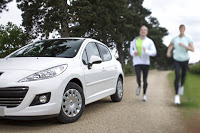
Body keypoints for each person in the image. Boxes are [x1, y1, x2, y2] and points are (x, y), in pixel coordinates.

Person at [166, 24, 194, 105]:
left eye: (183, 29)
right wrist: (168, 52)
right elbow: (170, 46)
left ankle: (181, 86)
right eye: (180, 28)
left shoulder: (188, 39)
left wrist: (185, 46)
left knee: (183, 75)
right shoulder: (175, 39)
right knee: (177, 75)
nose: (182, 30)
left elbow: (192, 49)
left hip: (185, 59)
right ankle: (177, 96)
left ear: (184, 29)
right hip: (176, 59)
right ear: (179, 29)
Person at [130, 25, 157, 101]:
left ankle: (144, 95)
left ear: (147, 32)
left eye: (145, 30)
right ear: (139, 31)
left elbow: (154, 53)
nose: (143, 31)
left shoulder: (150, 41)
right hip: (137, 62)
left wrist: (146, 51)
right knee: (138, 77)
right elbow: (131, 50)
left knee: (145, 80)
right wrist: (133, 53)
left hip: (146, 63)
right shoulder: (135, 40)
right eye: (142, 29)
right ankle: (139, 85)